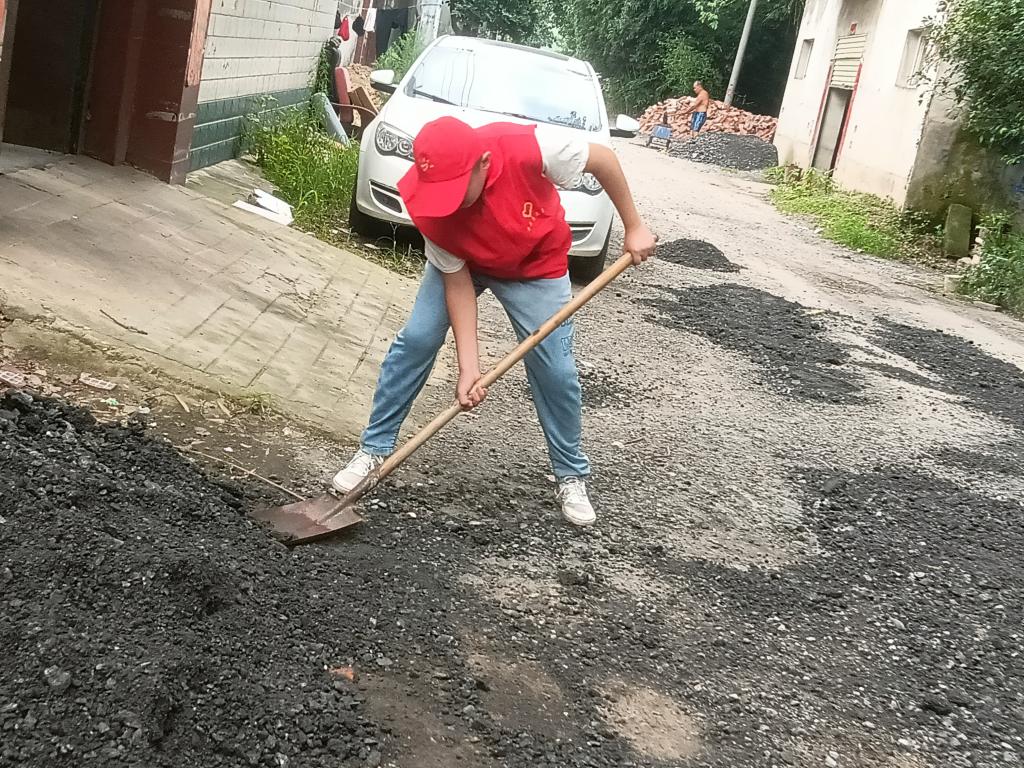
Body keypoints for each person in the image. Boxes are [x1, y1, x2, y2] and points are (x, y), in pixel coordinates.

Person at [331, 117, 657, 526]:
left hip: (535, 267)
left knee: (555, 370)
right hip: (466, 263)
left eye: (455, 190)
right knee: (417, 338)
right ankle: (373, 450)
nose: (447, 203)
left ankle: (570, 474)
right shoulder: (425, 200)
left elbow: (603, 159)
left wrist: (634, 226)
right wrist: (469, 368)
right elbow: (457, 284)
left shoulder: (533, 148)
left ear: (484, 163)